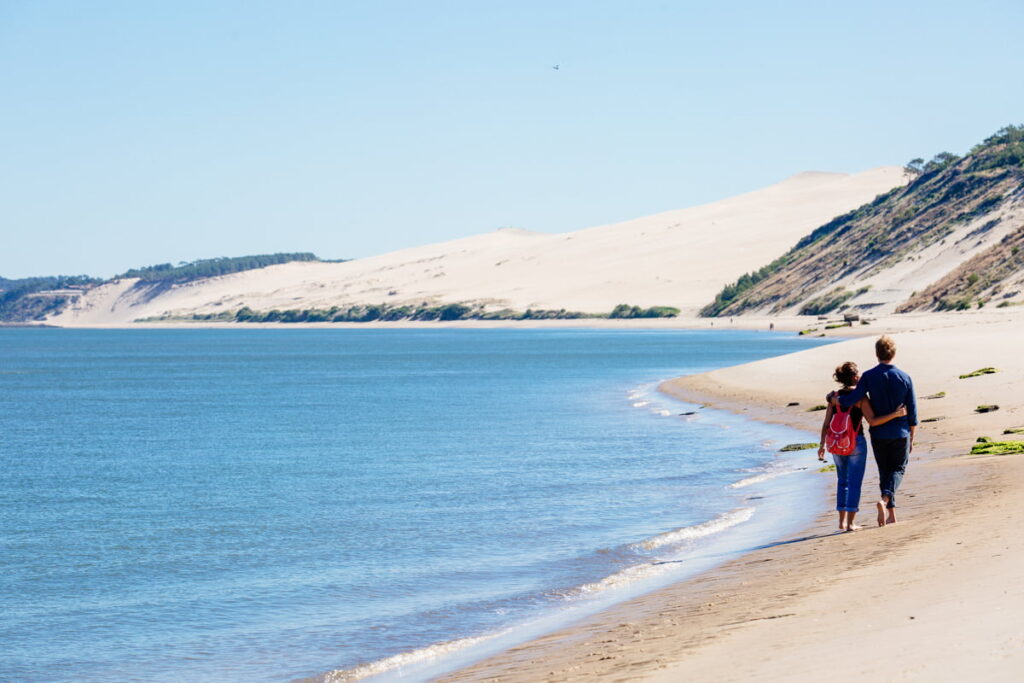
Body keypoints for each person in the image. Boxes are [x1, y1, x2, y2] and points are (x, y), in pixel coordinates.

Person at [830, 335, 918, 527]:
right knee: (898, 469)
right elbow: (912, 411)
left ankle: (891, 515)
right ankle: (885, 500)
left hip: (878, 434)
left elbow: (853, 398)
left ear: (876, 354)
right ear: (893, 353)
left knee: (884, 471)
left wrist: (834, 399)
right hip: (900, 432)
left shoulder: (868, 376)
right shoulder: (905, 377)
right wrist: (912, 437)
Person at [818, 362, 907, 531]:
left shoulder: (834, 398)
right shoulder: (860, 398)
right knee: (854, 483)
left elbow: (826, 424)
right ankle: (851, 523)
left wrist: (822, 444)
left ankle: (842, 521)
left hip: (836, 443)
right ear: (854, 377)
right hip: (855, 443)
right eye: (858, 375)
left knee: (842, 481)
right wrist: (895, 414)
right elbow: (872, 421)